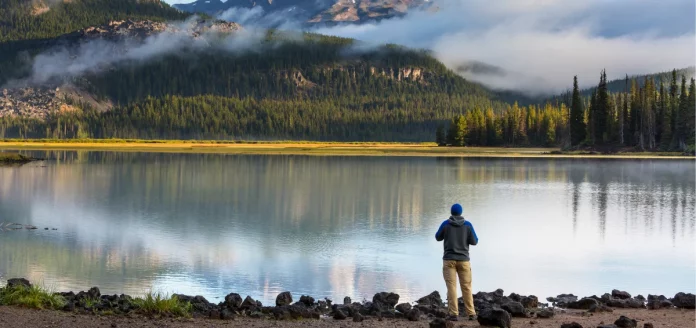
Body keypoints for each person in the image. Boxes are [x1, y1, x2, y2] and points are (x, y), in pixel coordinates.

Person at [435, 203, 479, 321]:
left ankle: (454, 314)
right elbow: (474, 241)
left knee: (451, 287)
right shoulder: (468, 225)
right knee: (467, 287)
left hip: (449, 260)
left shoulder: (446, 224)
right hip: (464, 260)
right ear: (461, 212)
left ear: (452, 212)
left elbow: (437, 237)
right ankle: (471, 313)